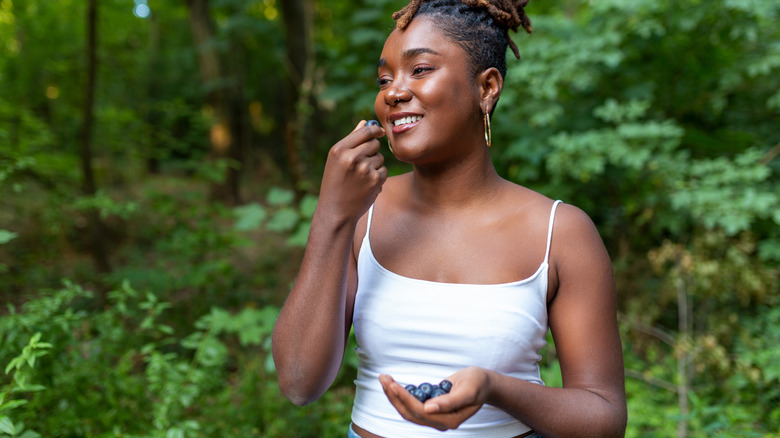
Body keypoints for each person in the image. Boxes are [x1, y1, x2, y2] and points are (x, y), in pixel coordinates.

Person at [271, 0, 628, 436]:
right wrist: (331, 215)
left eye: (420, 70)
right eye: (384, 78)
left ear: (487, 88)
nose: (393, 92)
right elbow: (297, 382)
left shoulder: (561, 233)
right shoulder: (360, 213)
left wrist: (494, 388)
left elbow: (604, 418)